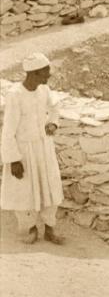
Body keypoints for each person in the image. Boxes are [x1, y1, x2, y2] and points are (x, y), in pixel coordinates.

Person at [1, 53, 66, 245]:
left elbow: (55, 107)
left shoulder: (44, 90)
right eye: (46, 72)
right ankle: (28, 228)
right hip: (23, 151)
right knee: (25, 191)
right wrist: (13, 160)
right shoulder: (15, 95)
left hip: (44, 148)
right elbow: (8, 130)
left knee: (50, 187)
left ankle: (49, 228)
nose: (49, 75)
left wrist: (53, 124)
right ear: (35, 73)